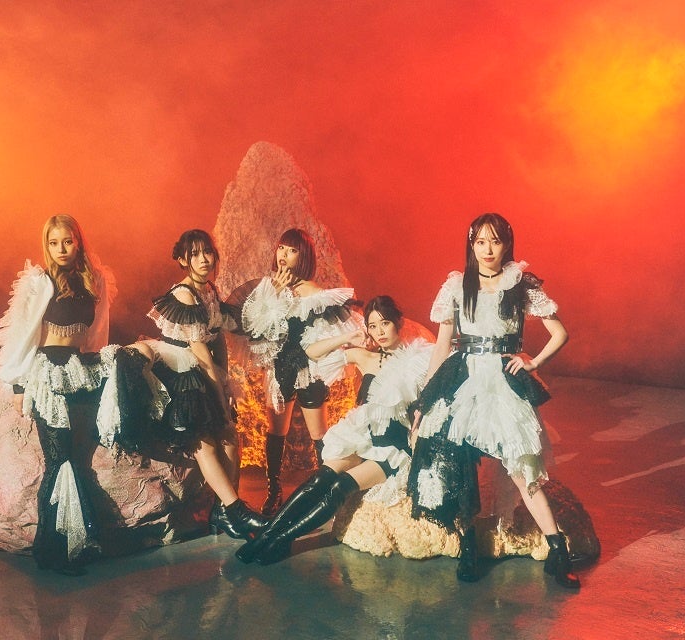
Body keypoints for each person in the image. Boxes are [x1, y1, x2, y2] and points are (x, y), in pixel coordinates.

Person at [407, 212, 580, 589]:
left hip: (501, 381)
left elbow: (560, 332)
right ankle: (467, 545)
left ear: (507, 245)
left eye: (495, 241)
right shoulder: (457, 286)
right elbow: (442, 345)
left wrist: (533, 362)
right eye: (480, 241)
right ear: (471, 244)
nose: (487, 249)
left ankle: (558, 550)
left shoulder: (520, 283)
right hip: (462, 376)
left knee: (521, 466)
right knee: (457, 462)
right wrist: (425, 399)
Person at [236, 296, 433, 565]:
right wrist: (348, 337)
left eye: (385, 323)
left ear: (398, 322)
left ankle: (281, 541)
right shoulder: (365, 357)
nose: (379, 332)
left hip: (391, 449)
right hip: (364, 439)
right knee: (320, 479)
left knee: (339, 487)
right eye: (373, 326)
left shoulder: (417, 358)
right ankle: (265, 538)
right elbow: (311, 354)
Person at [0, 214, 110, 576]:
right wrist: (20, 386)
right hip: (46, 374)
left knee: (78, 459)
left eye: (67, 241)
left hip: (79, 372)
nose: (61, 249)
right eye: (54, 243)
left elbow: (98, 332)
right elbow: (21, 336)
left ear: (78, 241)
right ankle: (53, 551)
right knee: (59, 460)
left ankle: (78, 544)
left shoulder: (94, 280)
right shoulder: (38, 282)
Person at [128, 229, 267, 539]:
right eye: (194, 254)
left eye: (207, 252)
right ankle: (237, 511)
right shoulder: (184, 293)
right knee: (205, 441)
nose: (204, 259)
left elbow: (217, 340)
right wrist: (219, 390)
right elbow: (199, 350)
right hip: (180, 372)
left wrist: (225, 384)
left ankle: (222, 513)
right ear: (183, 260)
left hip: (203, 369)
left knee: (230, 439)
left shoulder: (210, 291)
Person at [240, 228, 363, 515]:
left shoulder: (317, 296)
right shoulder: (269, 287)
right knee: (275, 432)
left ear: (304, 256)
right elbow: (254, 329)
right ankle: (274, 491)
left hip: (309, 369)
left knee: (318, 435)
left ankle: (325, 494)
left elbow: (330, 334)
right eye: (281, 248)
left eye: (292, 250)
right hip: (279, 368)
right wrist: (275, 293)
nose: (284, 254)